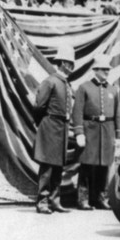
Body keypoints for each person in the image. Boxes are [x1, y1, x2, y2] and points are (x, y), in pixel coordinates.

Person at [72, 54, 120, 210]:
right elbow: (77, 112)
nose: (107, 71)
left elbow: (118, 114)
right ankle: (83, 200)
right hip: (90, 130)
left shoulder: (113, 90)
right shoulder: (84, 87)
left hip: (107, 131)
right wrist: (79, 132)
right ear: (96, 70)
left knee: (104, 166)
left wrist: (119, 136)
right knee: (87, 166)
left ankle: (100, 198)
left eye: (108, 69)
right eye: (104, 69)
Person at [32, 45, 76, 214]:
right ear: (63, 63)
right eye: (69, 63)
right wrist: (44, 124)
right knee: (47, 168)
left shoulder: (66, 84)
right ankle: (42, 202)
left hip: (62, 129)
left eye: (72, 63)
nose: (72, 66)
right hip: (50, 127)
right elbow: (38, 107)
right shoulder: (50, 81)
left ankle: (55, 201)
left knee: (58, 166)